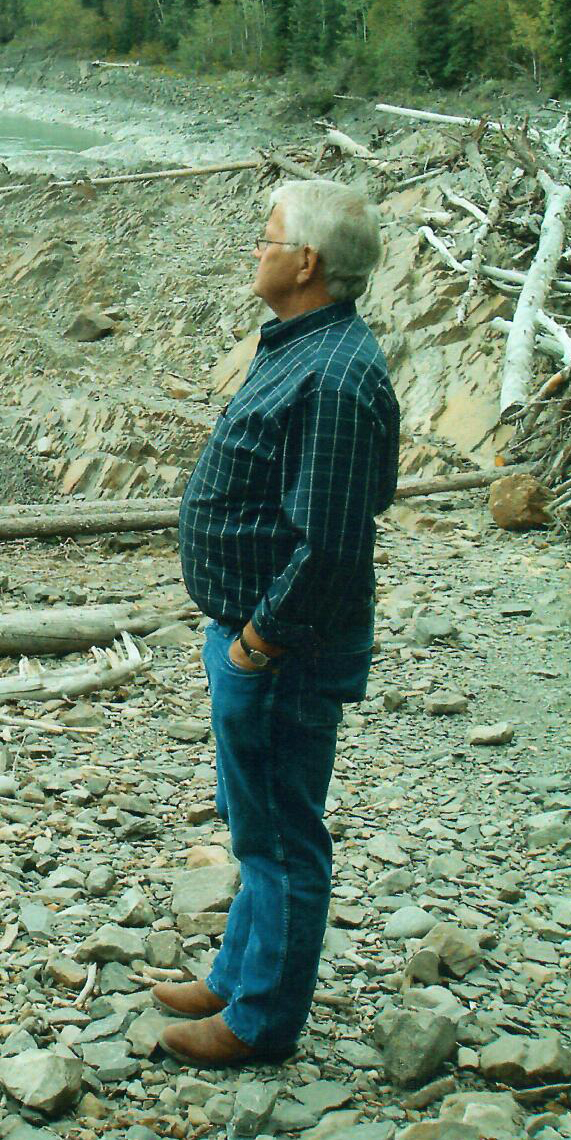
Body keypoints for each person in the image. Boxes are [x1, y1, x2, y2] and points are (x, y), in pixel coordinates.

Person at [155, 179, 400, 1066]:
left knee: (284, 834)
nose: (253, 250)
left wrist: (257, 642)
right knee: (253, 818)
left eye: (265, 239)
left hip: (280, 651)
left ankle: (258, 1022)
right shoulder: (302, 344)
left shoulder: (334, 373)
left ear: (305, 262)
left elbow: (331, 545)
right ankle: (234, 974)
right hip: (253, 638)